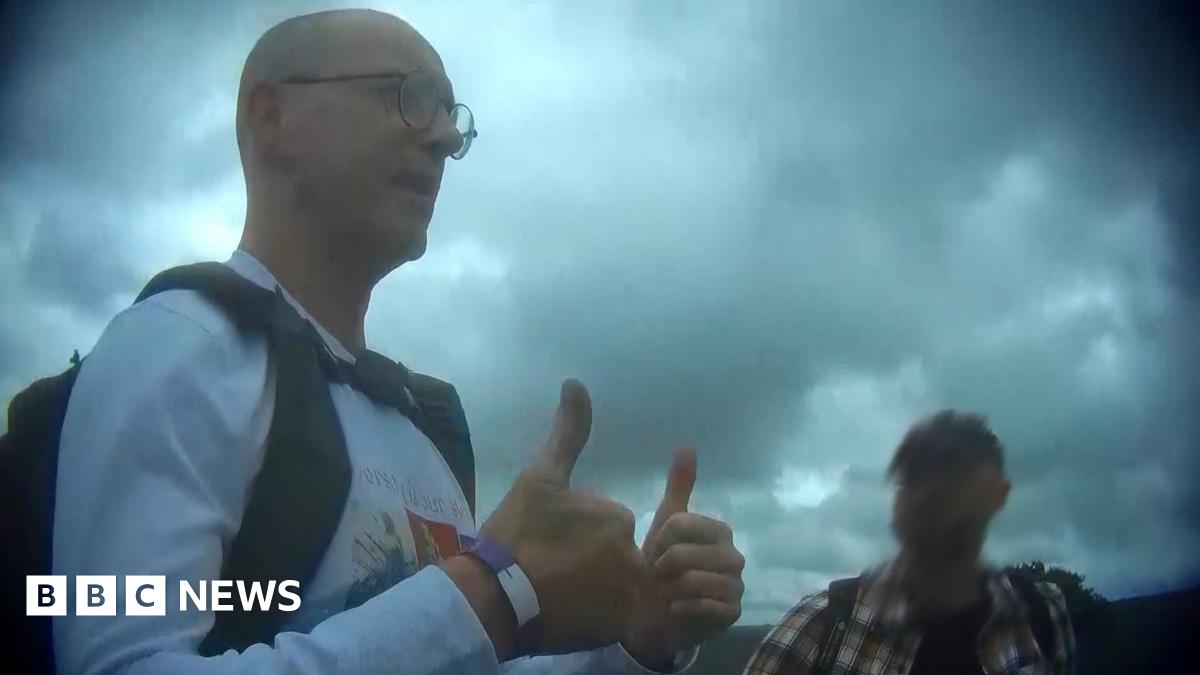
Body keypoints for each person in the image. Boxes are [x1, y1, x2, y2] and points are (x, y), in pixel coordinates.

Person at [51, 9, 744, 674]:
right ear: (273, 116)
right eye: (407, 96)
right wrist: (493, 591)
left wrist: (639, 640)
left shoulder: (421, 428)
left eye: (452, 116)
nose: (444, 136)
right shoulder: (178, 348)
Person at [743, 411, 1075, 675]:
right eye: (914, 478)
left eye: (955, 478)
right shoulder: (823, 624)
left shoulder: (1041, 614)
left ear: (997, 496)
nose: (932, 495)